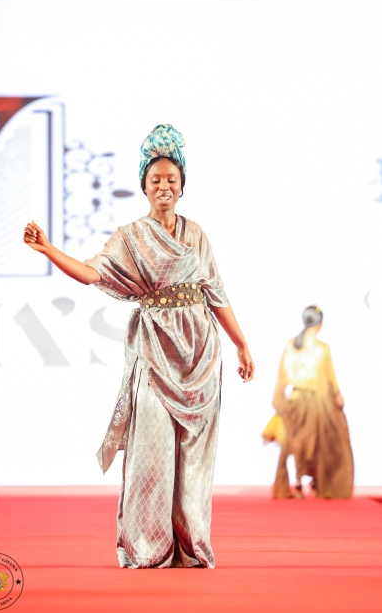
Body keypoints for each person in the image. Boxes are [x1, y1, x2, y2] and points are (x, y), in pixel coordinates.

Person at [23, 124, 254, 568]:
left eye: (172, 179)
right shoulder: (130, 237)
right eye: (155, 179)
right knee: (151, 453)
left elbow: (216, 292)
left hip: (200, 356)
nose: (164, 186)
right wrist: (50, 250)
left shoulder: (197, 235)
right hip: (153, 355)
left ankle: (191, 547)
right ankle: (148, 547)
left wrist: (241, 344)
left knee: (195, 461)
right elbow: (91, 273)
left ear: (182, 185)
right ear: (144, 186)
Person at [262, 306, 353, 499]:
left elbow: (282, 376)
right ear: (320, 324)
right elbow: (330, 378)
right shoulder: (322, 349)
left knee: (297, 441)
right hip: (318, 403)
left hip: (295, 401)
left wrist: (282, 402)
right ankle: (316, 479)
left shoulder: (291, 345)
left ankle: (298, 480)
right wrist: (338, 396)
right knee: (322, 441)